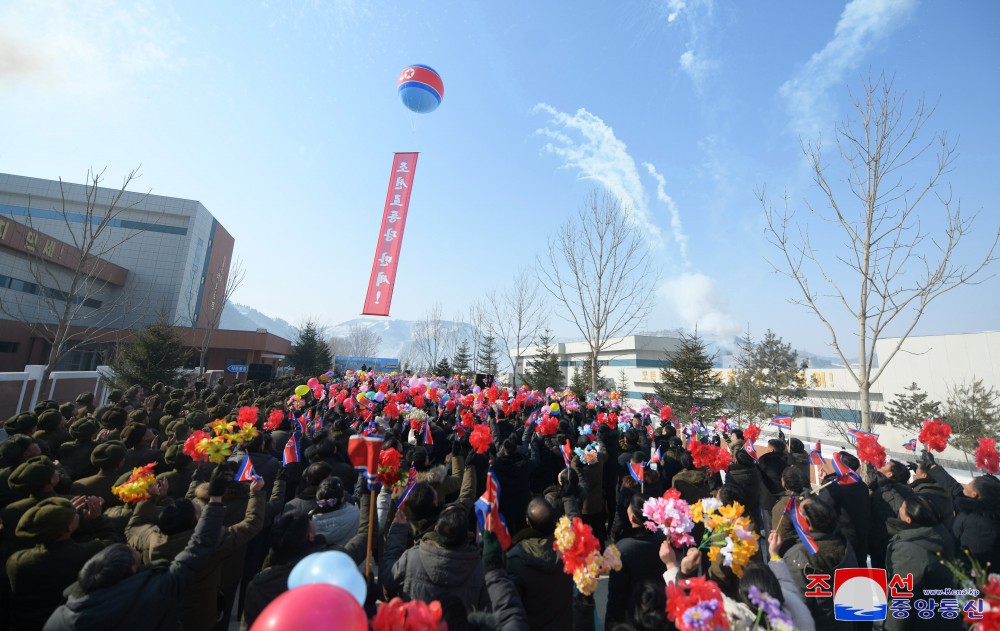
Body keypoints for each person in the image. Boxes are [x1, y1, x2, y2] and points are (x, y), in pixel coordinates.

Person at [43, 467, 231, 631]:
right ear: (131, 571)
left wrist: (148, 496)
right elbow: (199, 546)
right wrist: (215, 499)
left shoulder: (61, 618)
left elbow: (137, 523)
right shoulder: (155, 591)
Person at [6, 497, 105, 630]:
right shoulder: (86, 552)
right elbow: (113, 544)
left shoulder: (16, 561)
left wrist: (60, 518)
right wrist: (97, 520)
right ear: (68, 527)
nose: (77, 513)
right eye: (74, 515)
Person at [884, 495, 962, 631]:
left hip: (921, 621)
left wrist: (891, 628)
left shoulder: (908, 550)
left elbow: (903, 597)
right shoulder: (940, 534)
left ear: (908, 519)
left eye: (902, 507)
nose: (899, 508)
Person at [779, 497, 858, 631]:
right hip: (844, 623)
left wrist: (774, 557)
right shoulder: (844, 543)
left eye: (798, 513)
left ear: (807, 523)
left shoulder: (797, 556)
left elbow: (796, 606)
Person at [921, 451, 1000, 570]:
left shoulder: (981, 523)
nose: (964, 485)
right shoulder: (975, 503)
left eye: (969, 484)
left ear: (974, 494)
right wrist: (931, 465)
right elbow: (952, 486)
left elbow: (971, 560)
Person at [506, 497, 573, 631]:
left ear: (527, 521)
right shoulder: (569, 550)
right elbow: (576, 523)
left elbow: (511, 605)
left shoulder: (516, 559)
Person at [604, 494, 665, 629]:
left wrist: (611, 625)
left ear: (631, 518)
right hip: (661, 611)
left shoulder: (622, 549)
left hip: (633, 616)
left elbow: (616, 595)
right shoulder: (664, 540)